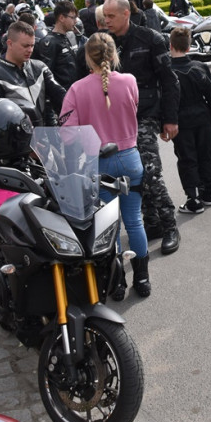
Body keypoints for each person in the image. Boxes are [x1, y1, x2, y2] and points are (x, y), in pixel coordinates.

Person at [60, 32, 151, 299]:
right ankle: (143, 278)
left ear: (87, 56)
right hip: (130, 157)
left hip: (99, 163)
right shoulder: (129, 81)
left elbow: (67, 133)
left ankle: (118, 281)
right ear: (114, 54)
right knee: (135, 221)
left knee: (109, 226)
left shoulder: (77, 89)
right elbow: (133, 109)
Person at [93, 0, 182, 254]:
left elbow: (169, 80)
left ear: (125, 14)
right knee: (129, 176)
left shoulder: (150, 38)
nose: (105, 20)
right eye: (104, 16)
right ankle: (151, 222)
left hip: (145, 114)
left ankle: (169, 226)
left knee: (150, 173)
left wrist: (170, 118)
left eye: (110, 16)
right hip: (114, 118)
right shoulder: (102, 43)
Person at [168, 27, 211, 214]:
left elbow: (165, 101)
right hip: (203, 117)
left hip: (181, 121)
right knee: (205, 154)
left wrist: (164, 123)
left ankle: (193, 198)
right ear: (189, 46)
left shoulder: (168, 72)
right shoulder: (200, 67)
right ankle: (209, 190)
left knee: (187, 158)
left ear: (171, 45)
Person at [0, 21, 66, 127]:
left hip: (44, 134)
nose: (30, 50)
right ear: (10, 43)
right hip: (16, 139)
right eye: (25, 46)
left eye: (32, 45)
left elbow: (59, 94)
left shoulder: (39, 67)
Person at [35, 0, 80, 89]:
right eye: (73, 18)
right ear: (62, 18)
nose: (75, 21)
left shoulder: (70, 36)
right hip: (63, 96)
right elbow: (47, 76)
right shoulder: (49, 42)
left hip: (74, 92)